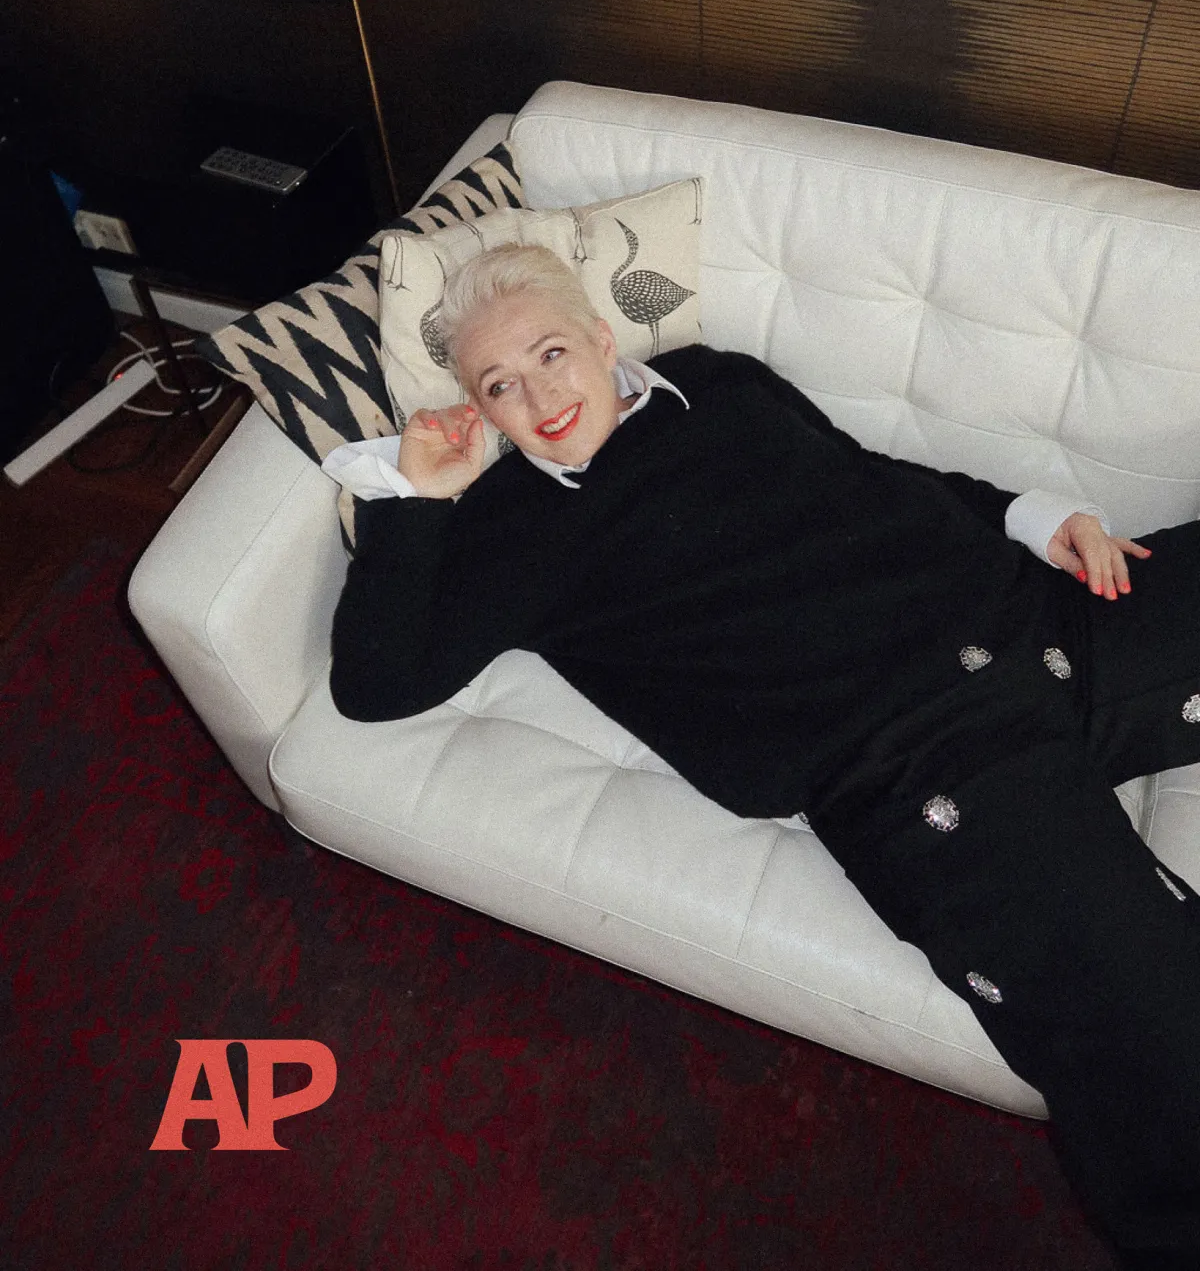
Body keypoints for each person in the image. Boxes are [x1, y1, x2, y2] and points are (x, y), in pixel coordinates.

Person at [324, 244, 1200, 1270]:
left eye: (550, 353)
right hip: (920, 762)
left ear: (602, 339)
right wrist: (413, 497)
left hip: (1034, 612)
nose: (540, 397)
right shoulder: (513, 529)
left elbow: (872, 473)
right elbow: (373, 685)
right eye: (499, 385)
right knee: (1151, 1032)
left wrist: (1034, 517)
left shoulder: (716, 381)